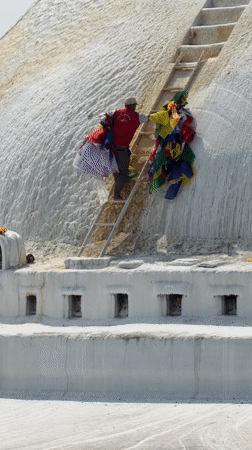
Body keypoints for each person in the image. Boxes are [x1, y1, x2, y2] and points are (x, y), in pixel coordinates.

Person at [148, 91, 197, 200]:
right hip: (169, 139)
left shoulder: (172, 108)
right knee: (163, 156)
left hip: (170, 140)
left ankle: (159, 175)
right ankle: (164, 176)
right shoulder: (172, 110)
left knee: (161, 155)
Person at [106, 97, 149, 200]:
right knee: (123, 173)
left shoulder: (116, 113)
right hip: (121, 149)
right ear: (130, 106)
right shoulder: (136, 116)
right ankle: (116, 195)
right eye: (134, 105)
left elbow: (105, 116)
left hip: (111, 148)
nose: (135, 107)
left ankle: (118, 180)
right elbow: (149, 117)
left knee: (117, 166)